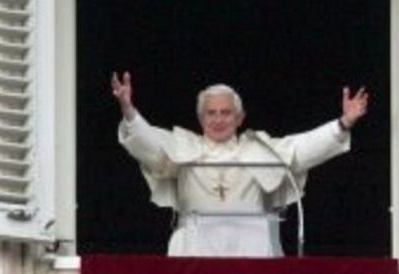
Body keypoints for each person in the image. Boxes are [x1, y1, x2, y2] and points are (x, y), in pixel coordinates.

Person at [111, 72, 369, 257]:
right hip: (195, 249)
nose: (218, 119)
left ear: (239, 118)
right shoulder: (183, 148)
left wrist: (343, 123)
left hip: (253, 248)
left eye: (226, 113)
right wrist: (129, 111)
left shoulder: (259, 149)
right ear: (200, 118)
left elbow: (302, 149)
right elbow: (150, 145)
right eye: (211, 113)